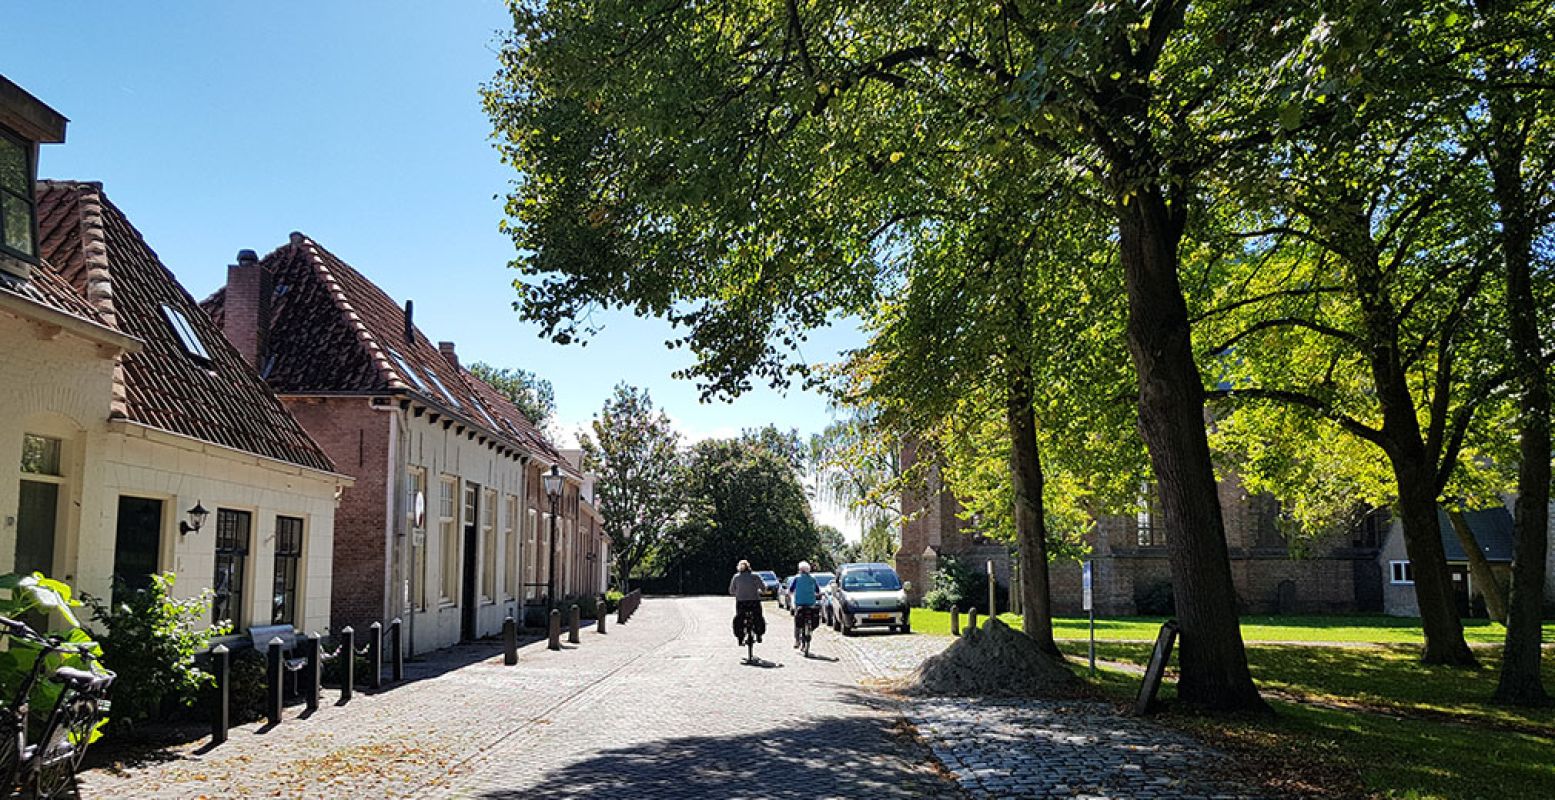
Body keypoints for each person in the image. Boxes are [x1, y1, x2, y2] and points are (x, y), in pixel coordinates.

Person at [729, 559, 766, 645]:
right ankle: (759, 634)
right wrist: (761, 591)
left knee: (739, 618)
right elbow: (763, 588)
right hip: (754, 601)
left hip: (741, 602)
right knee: (758, 616)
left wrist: (738, 592)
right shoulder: (755, 576)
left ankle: (740, 637)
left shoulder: (736, 577)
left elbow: (731, 590)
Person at [790, 560, 821, 648]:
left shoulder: (797, 578)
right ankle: (809, 630)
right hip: (811, 603)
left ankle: (797, 641)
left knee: (797, 622)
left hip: (799, 603)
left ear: (800, 569)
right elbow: (817, 591)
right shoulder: (812, 579)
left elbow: (791, 590)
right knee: (810, 617)